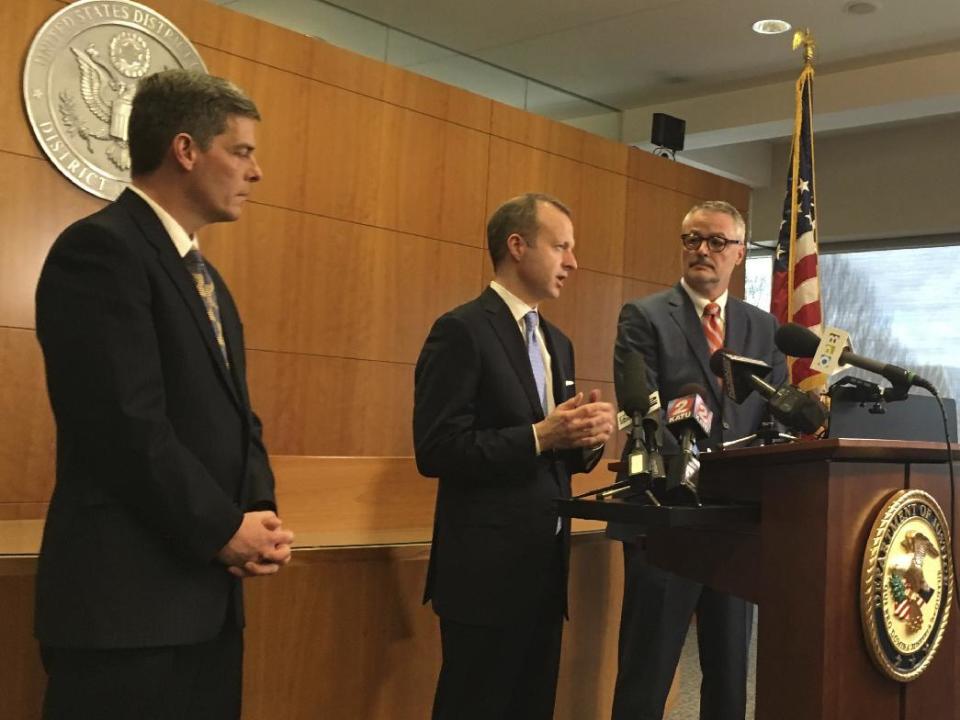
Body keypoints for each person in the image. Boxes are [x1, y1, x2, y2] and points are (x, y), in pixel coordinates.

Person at [34, 69, 294, 720]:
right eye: (241, 151)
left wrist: (256, 513)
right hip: (126, 613)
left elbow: (239, 418)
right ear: (185, 150)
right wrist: (221, 527)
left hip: (207, 603)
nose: (255, 172)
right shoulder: (99, 252)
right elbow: (126, 426)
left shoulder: (209, 280)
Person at [414, 193, 616, 720]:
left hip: (544, 570)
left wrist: (588, 438)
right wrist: (541, 436)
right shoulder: (461, 331)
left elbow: (558, 455)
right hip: (483, 575)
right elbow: (437, 449)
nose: (573, 262)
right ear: (517, 245)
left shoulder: (558, 342)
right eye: (561, 247)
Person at [609, 200, 786, 720]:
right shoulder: (643, 317)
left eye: (715, 242)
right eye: (692, 239)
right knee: (648, 672)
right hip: (666, 518)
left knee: (730, 676)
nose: (701, 251)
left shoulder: (763, 327)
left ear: (738, 253)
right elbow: (641, 408)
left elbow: (770, 416)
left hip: (736, 526)